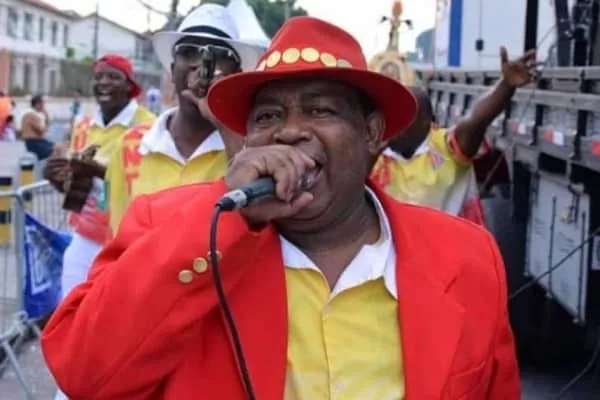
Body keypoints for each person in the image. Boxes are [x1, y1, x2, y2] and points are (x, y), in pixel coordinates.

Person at [42, 17, 520, 399]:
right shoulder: (172, 227)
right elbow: (83, 372)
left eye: (320, 110)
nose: (289, 131)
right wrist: (226, 221)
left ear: (372, 133)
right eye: (268, 116)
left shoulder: (467, 257)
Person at [105, 4, 265, 234]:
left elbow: (258, 230)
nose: (201, 64)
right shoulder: (131, 144)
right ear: (172, 69)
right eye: (188, 51)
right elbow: (117, 235)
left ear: (236, 74)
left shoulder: (252, 148)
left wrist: (225, 126)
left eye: (218, 54)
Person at [371, 48, 536, 224]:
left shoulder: (447, 150)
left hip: (450, 240)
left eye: (404, 119)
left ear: (426, 121)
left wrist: (505, 86)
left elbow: (477, 119)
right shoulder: (375, 156)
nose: (394, 126)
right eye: (391, 117)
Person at [43, 54, 155, 300]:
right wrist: (59, 178)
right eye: (98, 77)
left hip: (127, 241)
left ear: (129, 86)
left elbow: (149, 184)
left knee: (117, 311)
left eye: (113, 77)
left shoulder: (148, 128)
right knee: (71, 306)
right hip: (85, 236)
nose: (104, 82)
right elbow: (78, 184)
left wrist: (99, 171)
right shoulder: (84, 125)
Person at [20, 94, 56, 160]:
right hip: (34, 143)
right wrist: (45, 115)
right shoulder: (30, 115)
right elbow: (41, 131)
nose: (44, 106)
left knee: (56, 146)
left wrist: (45, 114)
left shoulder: (33, 114)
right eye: (42, 104)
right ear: (37, 104)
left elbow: (44, 128)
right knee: (56, 148)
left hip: (38, 141)